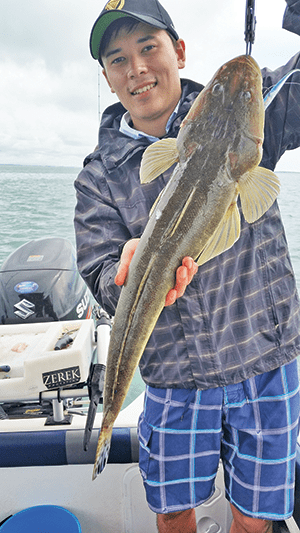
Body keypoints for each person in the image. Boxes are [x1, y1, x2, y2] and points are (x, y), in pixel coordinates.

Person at [74, 1, 300, 531]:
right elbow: (99, 264)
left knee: (256, 518)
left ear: (178, 50)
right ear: (107, 77)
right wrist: (120, 274)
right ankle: (109, 422)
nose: (136, 69)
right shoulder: (98, 177)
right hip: (175, 375)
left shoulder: (251, 106)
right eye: (117, 59)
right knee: (173, 514)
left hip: (263, 357)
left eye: (148, 47)